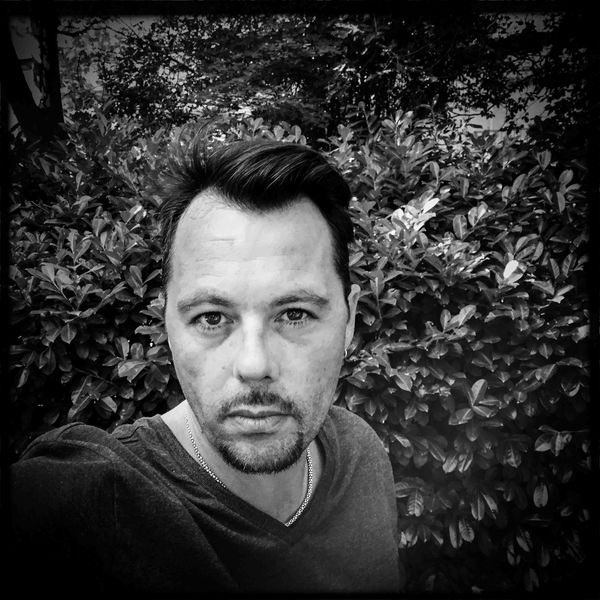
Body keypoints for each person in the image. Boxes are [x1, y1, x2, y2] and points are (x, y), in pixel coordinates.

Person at [8, 137, 403, 594]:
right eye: (211, 318)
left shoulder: (361, 453)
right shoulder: (89, 500)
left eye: (295, 313)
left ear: (348, 322)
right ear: (167, 324)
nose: (254, 365)